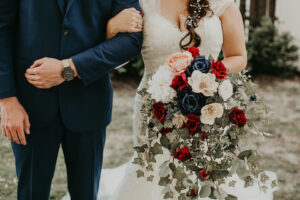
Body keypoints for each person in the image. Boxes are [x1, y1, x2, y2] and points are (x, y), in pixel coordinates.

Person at [94, 0, 277, 199]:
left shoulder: (221, 3)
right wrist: (111, 29)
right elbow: (119, 58)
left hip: (206, 107)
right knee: (153, 170)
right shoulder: (143, 4)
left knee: (199, 172)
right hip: (154, 109)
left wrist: (206, 79)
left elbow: (238, 56)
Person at [0, 0, 142, 200]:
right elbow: (2, 28)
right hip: (29, 104)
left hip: (89, 101)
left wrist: (68, 69)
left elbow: (131, 40)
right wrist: (6, 100)